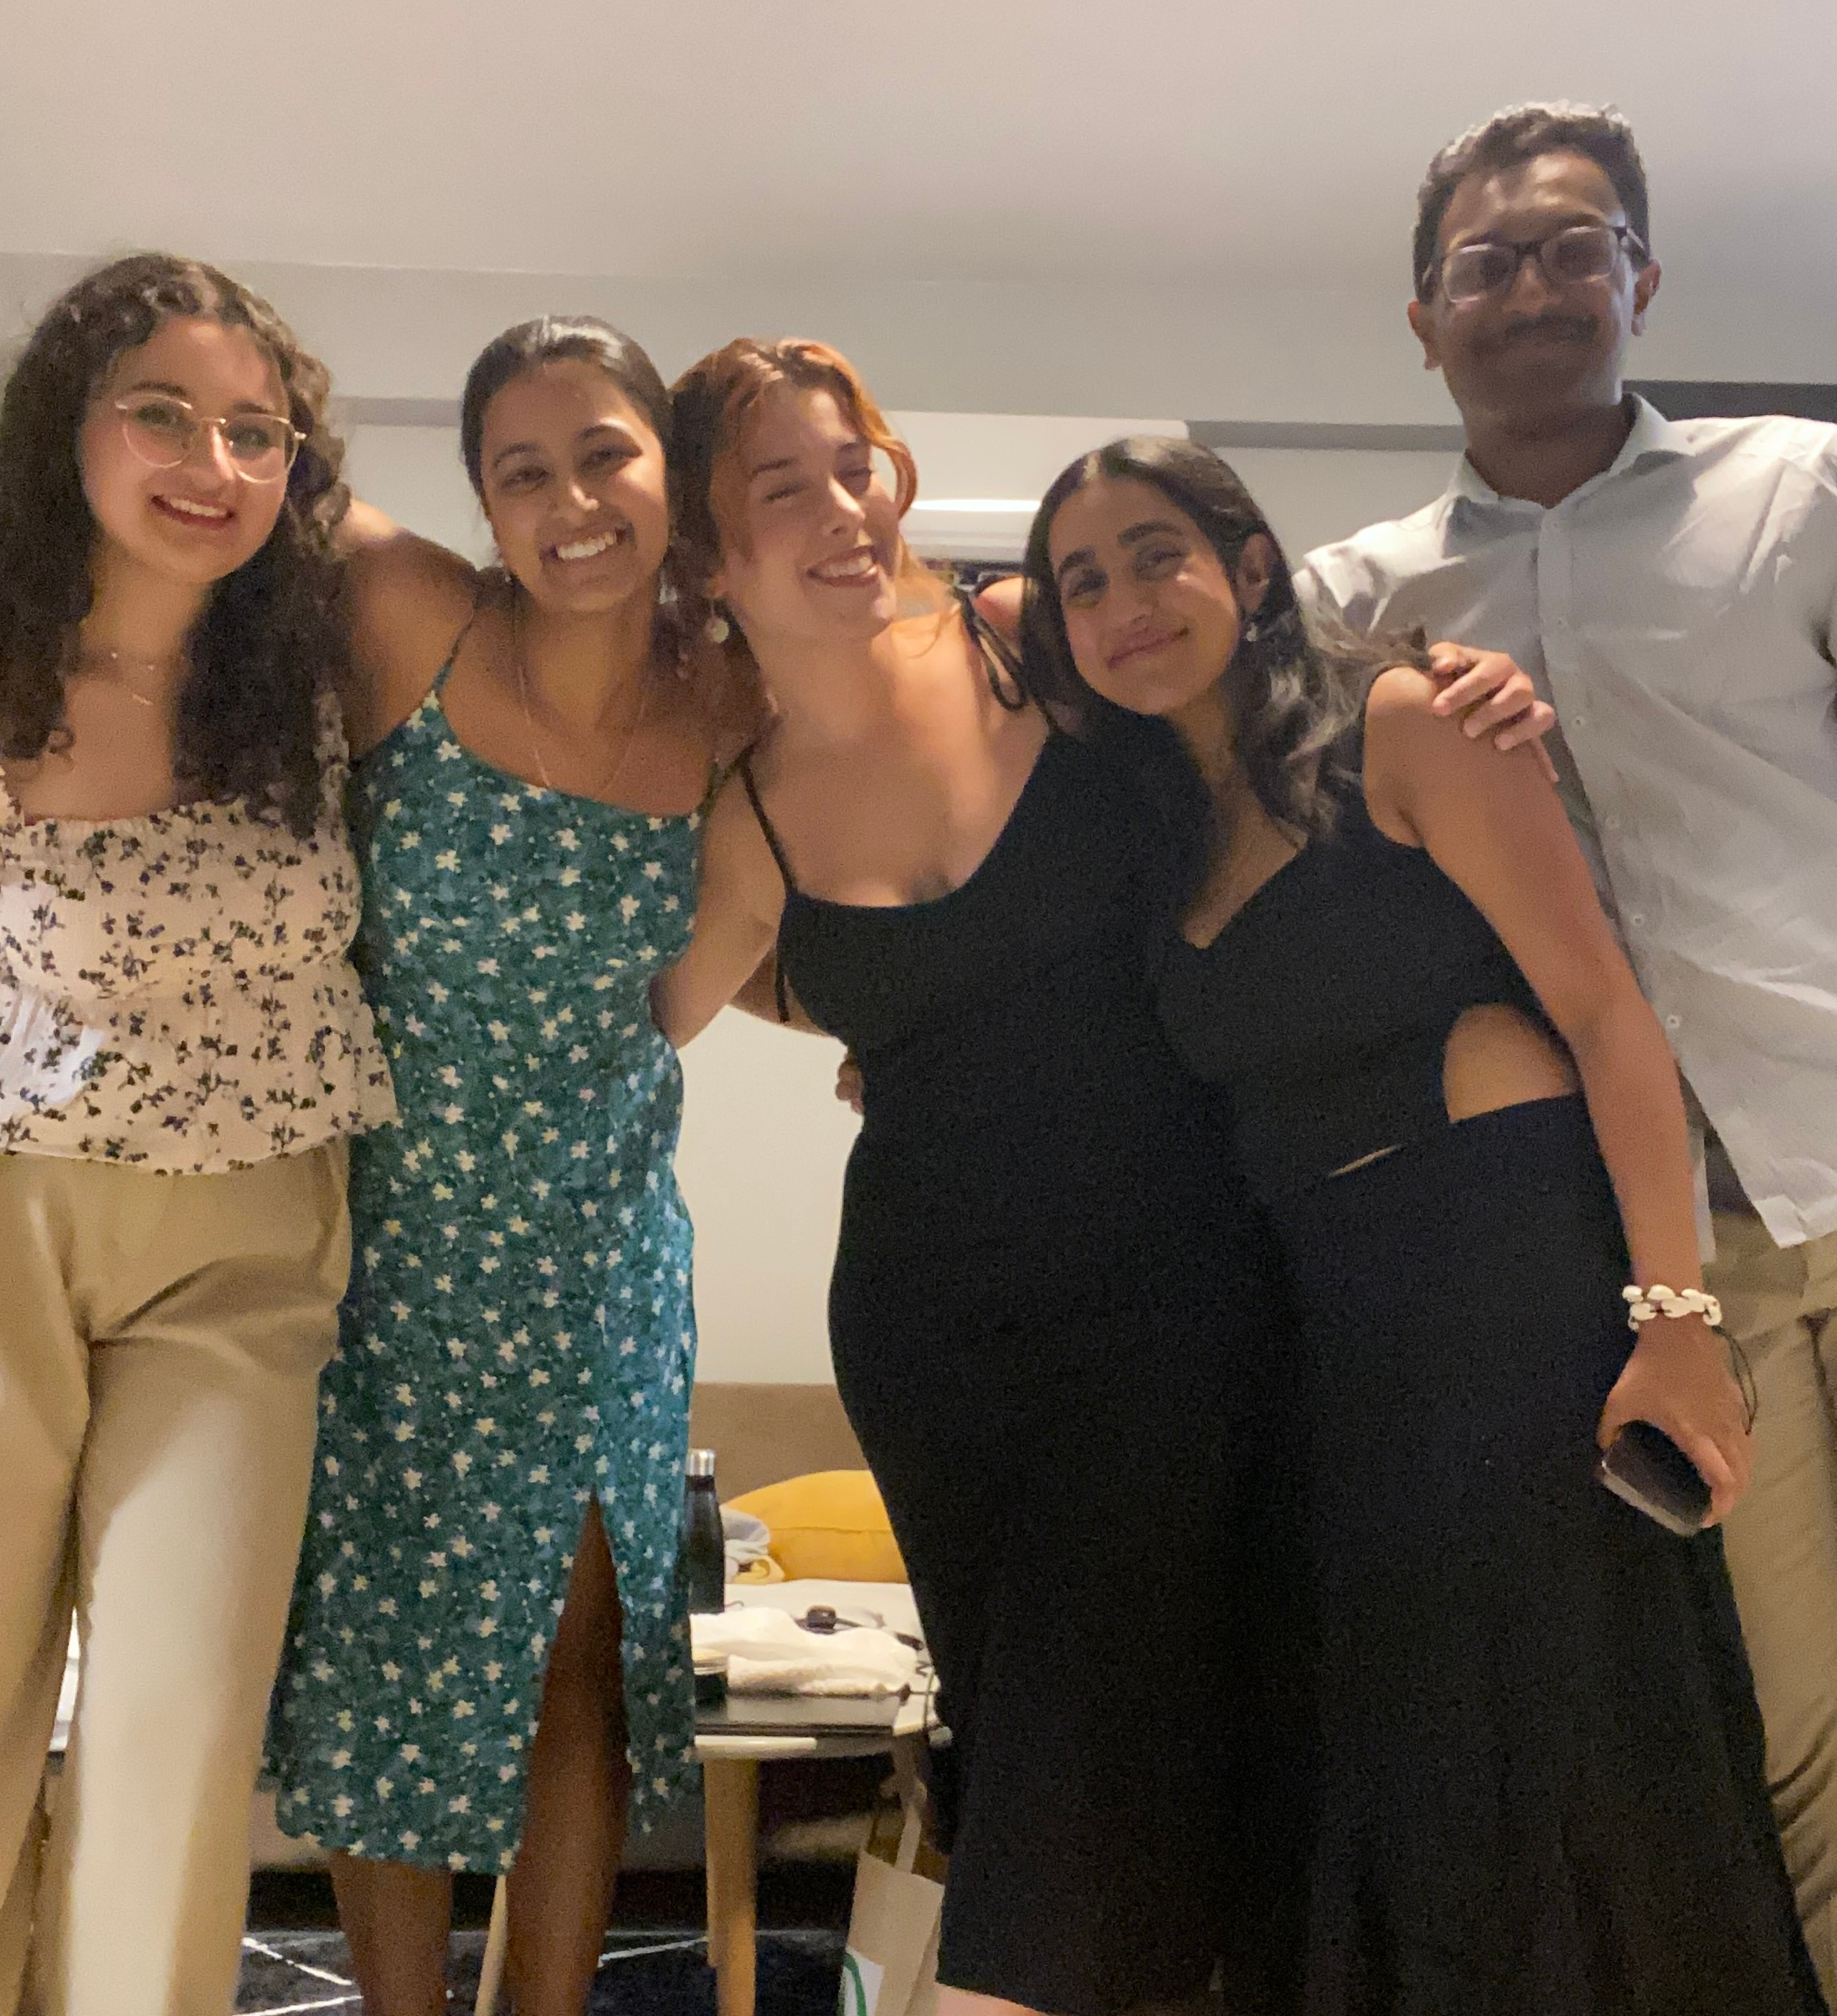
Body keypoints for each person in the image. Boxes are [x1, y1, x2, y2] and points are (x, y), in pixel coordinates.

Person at [650, 338, 1548, 2016]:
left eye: (856, 465)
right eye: (784, 488)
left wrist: (1448, 674)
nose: (846, 509)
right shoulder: (745, 814)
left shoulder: (1025, 644)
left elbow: (1244, 650)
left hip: (1178, 1277)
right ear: (708, 558)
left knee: (1105, 1725)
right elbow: (655, 1015)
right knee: (1035, 1735)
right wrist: (883, 1020)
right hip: (933, 1328)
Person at [1018, 431, 1823, 2013]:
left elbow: (1607, 1015)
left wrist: (1673, 1319)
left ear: (1253, 566)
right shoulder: (1146, 827)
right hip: (1335, 1335)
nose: (1125, 603)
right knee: (1409, 1773)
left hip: (1506, 1290)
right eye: (1082, 582)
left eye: (1159, 553)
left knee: (1559, 1751)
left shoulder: (1402, 721)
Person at [1298, 100, 1837, 1995]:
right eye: (1486, 261)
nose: (1533, 285)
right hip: (1662, 1249)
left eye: (1574, 247)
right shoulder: (1353, 602)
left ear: (1642, 279)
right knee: (1791, 1737)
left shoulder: (1802, 490)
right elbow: (1206, 840)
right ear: (1423, 319)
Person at [0, 254, 395, 2016]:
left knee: (183, 1723)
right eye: (162, 414)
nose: (215, 462)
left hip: (251, 1241)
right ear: (68, 431)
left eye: (257, 431)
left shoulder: (314, 671)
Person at [263, 316, 738, 2016]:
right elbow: (183, 472)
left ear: (671, 472)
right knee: (383, 1666)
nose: (572, 502)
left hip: (604, 1257)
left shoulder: (732, 696)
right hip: (388, 1253)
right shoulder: (418, 617)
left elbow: (901, 718)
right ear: (480, 501)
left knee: (571, 1668)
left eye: (607, 455)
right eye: (523, 471)